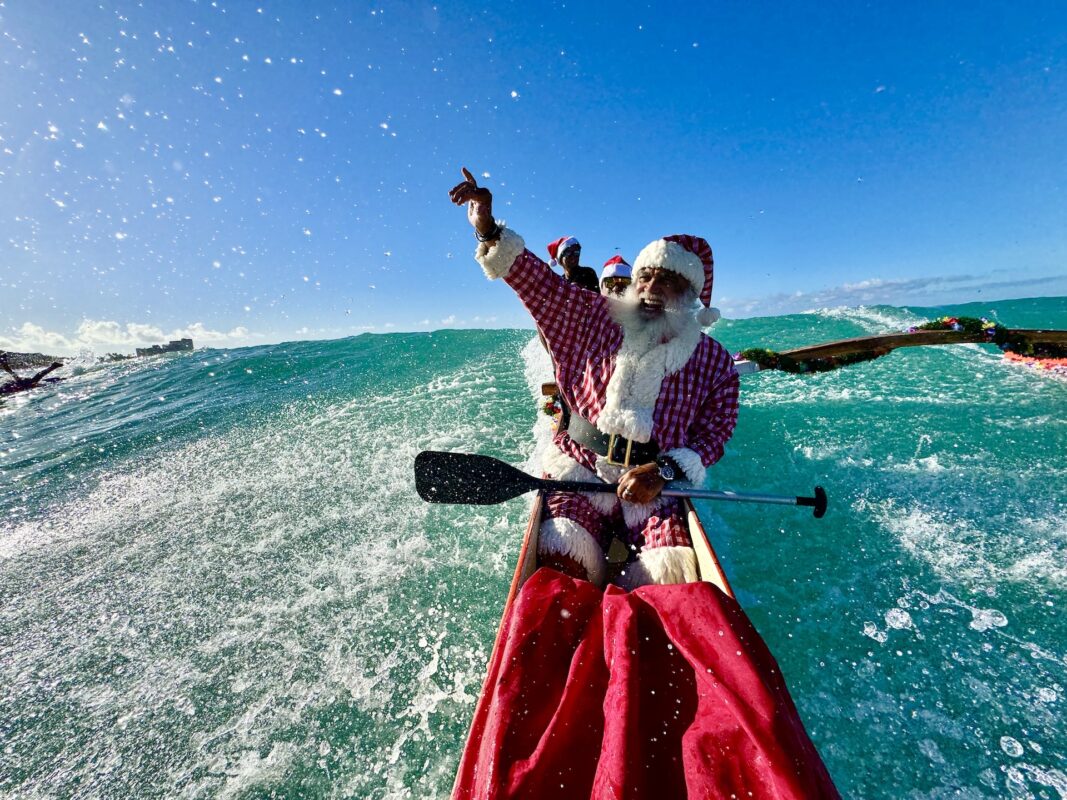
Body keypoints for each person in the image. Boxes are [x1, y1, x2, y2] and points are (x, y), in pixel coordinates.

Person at [450, 168, 737, 589]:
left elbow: (714, 434)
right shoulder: (592, 315)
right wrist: (487, 229)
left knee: (671, 579)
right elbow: (539, 285)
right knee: (562, 556)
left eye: (669, 279)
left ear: (692, 295)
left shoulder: (714, 362)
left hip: (655, 488)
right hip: (580, 470)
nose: (653, 286)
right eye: (647, 276)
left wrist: (665, 473)